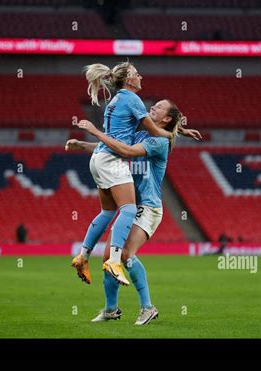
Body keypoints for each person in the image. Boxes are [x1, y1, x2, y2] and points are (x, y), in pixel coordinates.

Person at [67, 99, 201, 325]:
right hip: (130, 207)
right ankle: (111, 310)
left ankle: (148, 307)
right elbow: (110, 149)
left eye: (158, 107)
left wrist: (94, 131)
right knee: (110, 256)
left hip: (147, 208)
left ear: (166, 119)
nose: (153, 107)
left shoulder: (158, 141)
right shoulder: (141, 135)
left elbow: (126, 151)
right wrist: (83, 144)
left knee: (125, 254)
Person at [71, 62, 175, 287]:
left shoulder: (115, 100)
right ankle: (115, 261)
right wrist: (173, 132)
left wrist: (180, 129)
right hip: (110, 159)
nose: (141, 77)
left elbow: (144, 131)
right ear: (129, 80)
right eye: (137, 74)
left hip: (98, 157)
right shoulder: (133, 99)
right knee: (127, 209)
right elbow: (154, 131)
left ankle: (83, 256)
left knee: (107, 212)